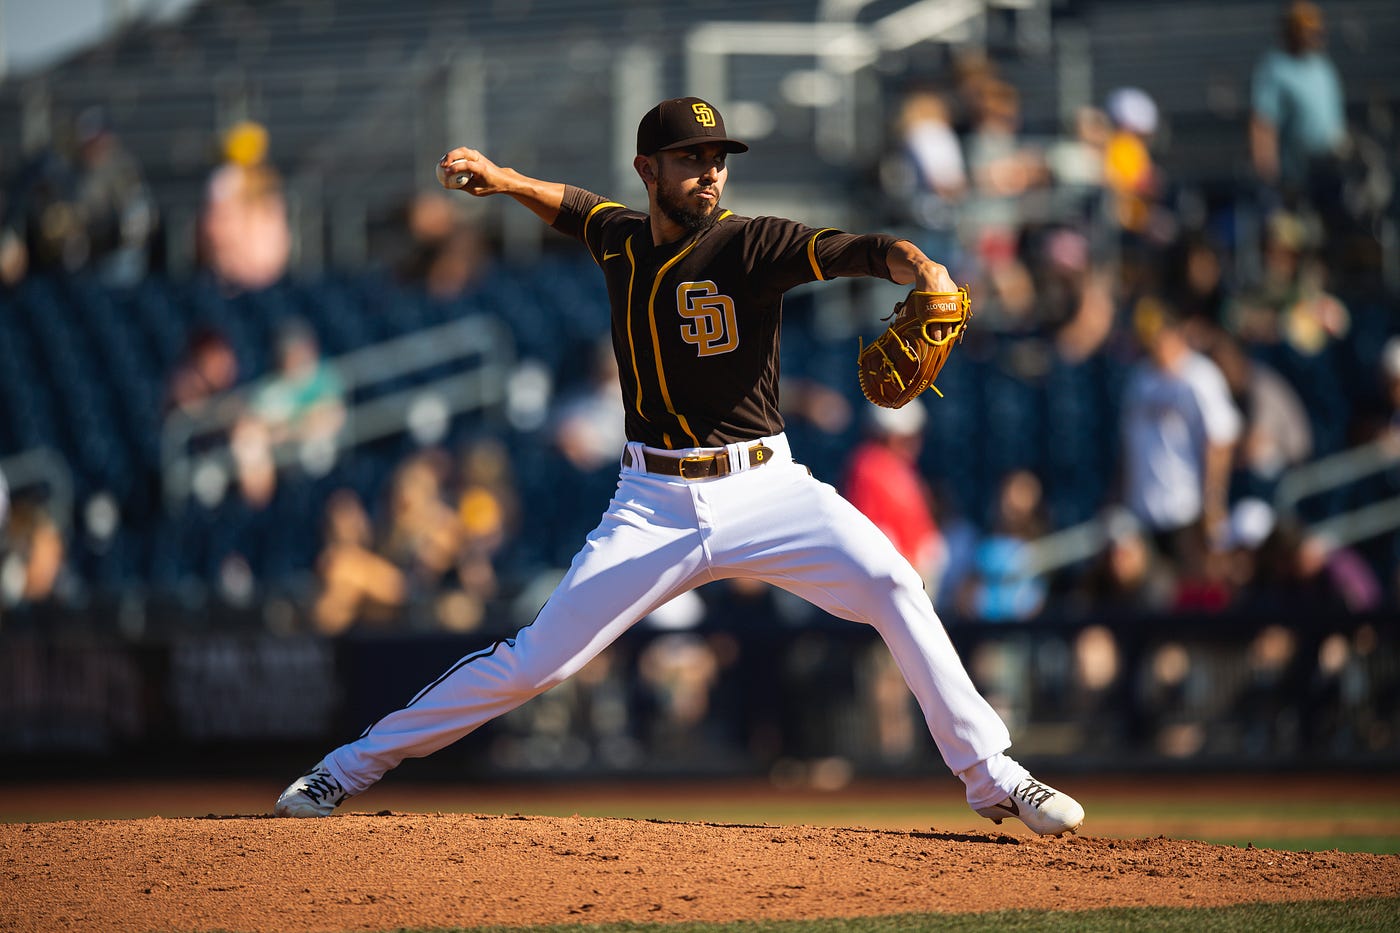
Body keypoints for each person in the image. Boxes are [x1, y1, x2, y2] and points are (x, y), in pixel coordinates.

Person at [274, 96, 1084, 836]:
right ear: (648, 170)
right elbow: (574, 208)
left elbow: (859, 250)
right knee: (534, 662)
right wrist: (504, 178)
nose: (711, 170)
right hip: (652, 500)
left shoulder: (751, 241)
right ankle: (346, 768)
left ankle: (995, 775)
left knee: (894, 584)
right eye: (693, 157)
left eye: (718, 156)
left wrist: (926, 269)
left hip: (767, 487)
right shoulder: (622, 239)